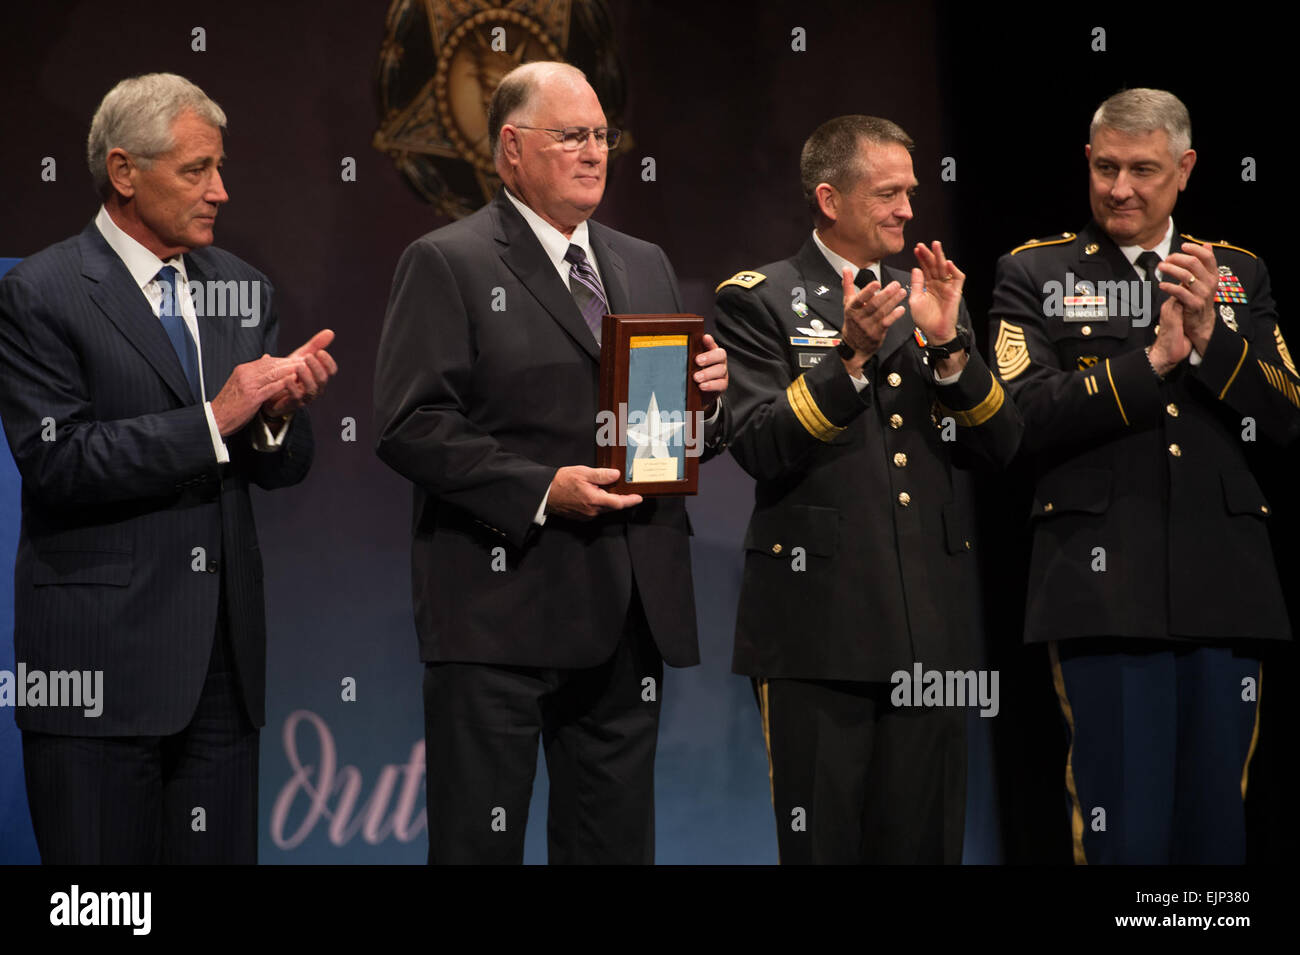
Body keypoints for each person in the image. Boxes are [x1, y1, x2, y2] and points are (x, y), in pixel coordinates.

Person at [374, 61, 729, 865]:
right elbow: (409, 424)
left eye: (603, 136)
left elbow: (662, 435)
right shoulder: (448, 261)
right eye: (572, 136)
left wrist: (706, 401)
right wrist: (540, 490)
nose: (595, 152)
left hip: (627, 615)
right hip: (500, 614)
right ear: (510, 149)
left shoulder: (643, 262)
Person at [0, 73, 336, 863]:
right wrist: (216, 417)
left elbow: (279, 469)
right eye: (196, 170)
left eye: (220, 168)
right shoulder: (42, 293)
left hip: (221, 679)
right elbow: (57, 459)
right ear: (124, 172)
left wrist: (278, 417)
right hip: (97, 678)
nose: (220, 191)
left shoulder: (243, 291)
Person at [989, 87, 1296, 864]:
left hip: (1225, 589)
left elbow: (1286, 414)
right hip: (1101, 588)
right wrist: (1152, 361)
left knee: (1215, 834)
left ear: (1185, 169)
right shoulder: (1036, 271)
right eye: (1105, 167)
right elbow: (1017, 418)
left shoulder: (1235, 273)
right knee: (1122, 826)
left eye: (1143, 170)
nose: (1120, 188)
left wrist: (1208, 344)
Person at [713, 115, 1022, 864]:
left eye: (910, 192)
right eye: (888, 193)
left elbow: (1002, 444)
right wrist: (848, 356)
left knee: (927, 846)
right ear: (829, 198)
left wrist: (950, 346)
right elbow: (758, 445)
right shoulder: (759, 299)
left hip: (931, 633)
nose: (908, 210)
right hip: (819, 634)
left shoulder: (927, 296)